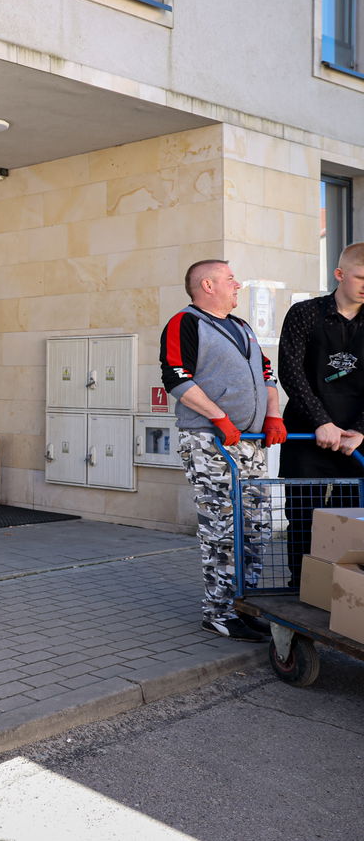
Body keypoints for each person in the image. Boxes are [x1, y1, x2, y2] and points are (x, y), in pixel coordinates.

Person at [160, 259, 286, 642]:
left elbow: (267, 374)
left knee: (255, 526)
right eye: (231, 279)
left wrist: (273, 416)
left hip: (248, 442)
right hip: (210, 440)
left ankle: (243, 606)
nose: (238, 284)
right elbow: (175, 377)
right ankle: (218, 613)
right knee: (222, 529)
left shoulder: (244, 328)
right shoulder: (186, 322)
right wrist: (219, 418)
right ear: (208, 285)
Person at [278, 243, 364, 586]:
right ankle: (302, 587)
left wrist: (359, 430)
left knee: (353, 518)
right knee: (302, 517)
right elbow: (291, 372)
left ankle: (345, 591)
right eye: (361, 277)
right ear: (339, 274)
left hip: (356, 442)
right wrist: (321, 422)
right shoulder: (305, 314)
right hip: (305, 434)